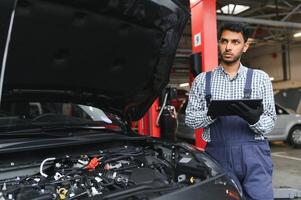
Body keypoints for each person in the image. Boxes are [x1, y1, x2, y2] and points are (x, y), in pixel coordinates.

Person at [185, 22, 276, 200]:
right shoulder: (202, 81)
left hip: (254, 156)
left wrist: (254, 120)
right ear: (219, 43)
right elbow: (190, 119)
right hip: (218, 155)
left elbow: (270, 121)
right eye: (224, 41)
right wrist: (210, 115)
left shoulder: (260, 79)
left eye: (235, 42)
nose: (228, 47)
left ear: (245, 46)